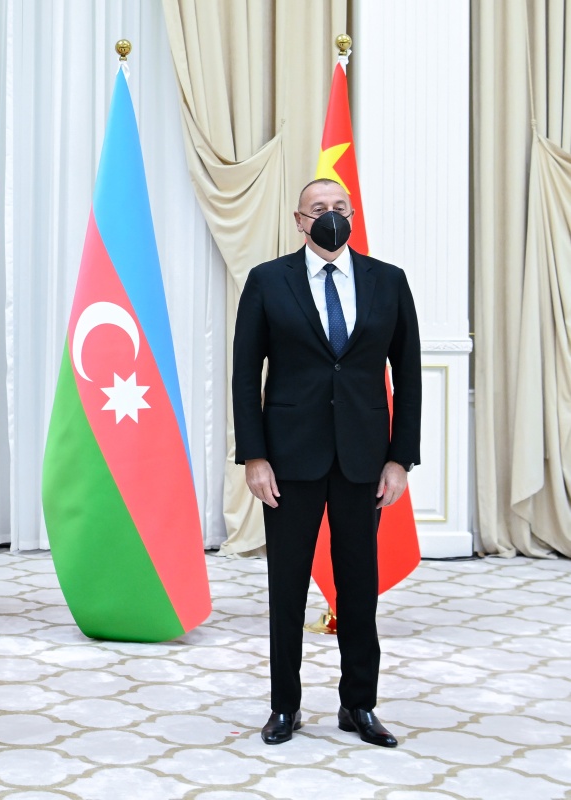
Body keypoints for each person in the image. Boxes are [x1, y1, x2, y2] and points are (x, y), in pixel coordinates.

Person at [232, 178, 421, 747]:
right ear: (299, 220)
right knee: (287, 587)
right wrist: (255, 456)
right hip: (289, 460)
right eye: (318, 209)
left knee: (358, 587)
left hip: (364, 460)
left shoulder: (389, 281)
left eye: (339, 207)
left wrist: (400, 459)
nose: (330, 215)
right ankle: (284, 707)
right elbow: (245, 374)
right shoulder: (268, 281)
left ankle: (359, 704)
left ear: (353, 215)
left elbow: (408, 375)